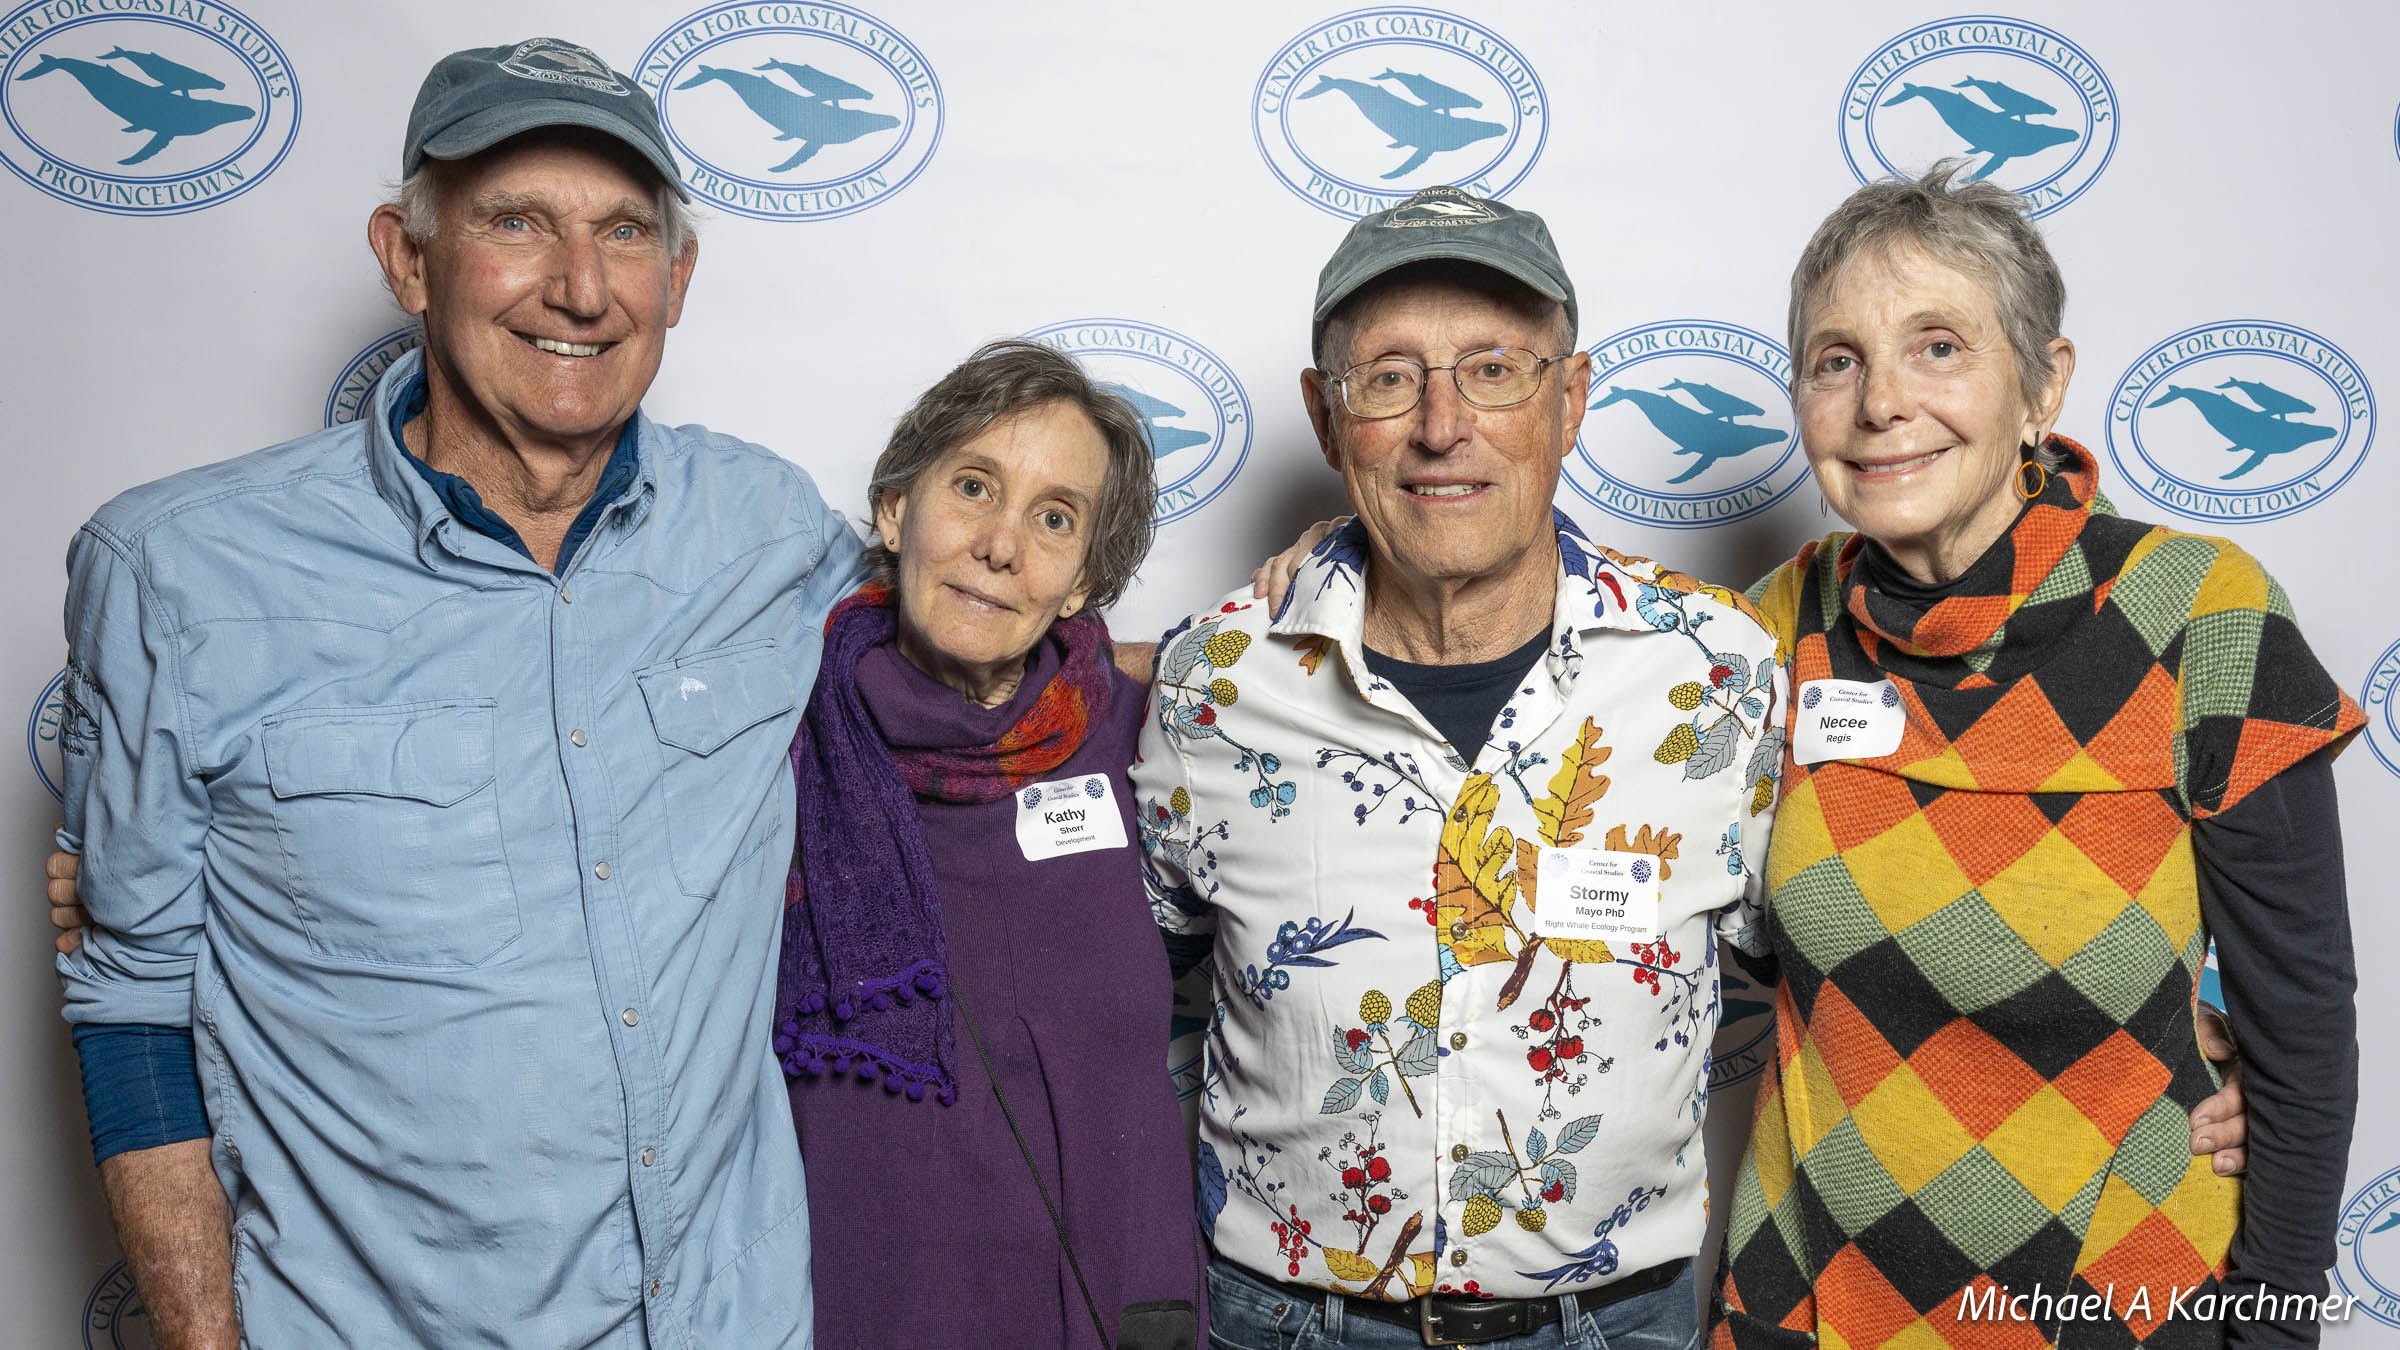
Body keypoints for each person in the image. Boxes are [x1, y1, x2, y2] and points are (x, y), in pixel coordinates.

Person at [50, 39, 865, 1347]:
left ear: (678, 278)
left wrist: (1217, 654)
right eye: (516, 222)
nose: (581, 287)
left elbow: (981, 650)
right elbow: (133, 999)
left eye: (624, 232)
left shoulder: (771, 530)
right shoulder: (177, 574)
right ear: (409, 258)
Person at [1712, 164, 2360, 1349]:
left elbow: (2303, 1030)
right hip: (1809, 1299)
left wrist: (2274, 1326)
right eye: (1837, 360)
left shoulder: (2201, 616)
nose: (1881, 403)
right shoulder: (1771, 629)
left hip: (2115, 1303)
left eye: (1939, 347)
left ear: (2041, 385)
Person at [1133, 185, 1787, 1350]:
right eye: (1389, 378)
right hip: (1287, 1324)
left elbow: (1850, 964)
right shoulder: (1213, 684)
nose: (1443, 425)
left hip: (1613, 1325)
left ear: (1569, 400)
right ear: (1328, 420)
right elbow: (1100, 984)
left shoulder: (1720, 672)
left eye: (1494, 370)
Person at [776, 340, 1202, 1348]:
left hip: (1118, 1310)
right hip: (872, 1316)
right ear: (896, 509)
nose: (1002, 545)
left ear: (1083, 577)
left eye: (1054, 518)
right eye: (974, 487)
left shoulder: (1155, 735)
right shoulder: (778, 741)